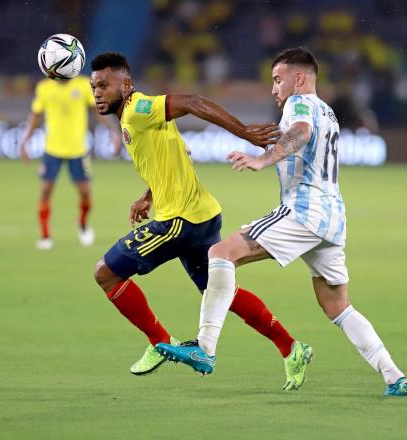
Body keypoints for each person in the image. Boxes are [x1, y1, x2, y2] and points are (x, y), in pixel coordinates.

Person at [156, 47, 407, 397]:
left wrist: (263, 160)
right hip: (333, 217)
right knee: (337, 305)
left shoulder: (300, 103)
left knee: (220, 253)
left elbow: (301, 133)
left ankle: (205, 346)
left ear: (299, 78)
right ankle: (394, 376)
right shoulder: (330, 112)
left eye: (277, 80)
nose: (274, 89)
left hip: (304, 210)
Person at [90, 52, 310, 390]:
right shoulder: (135, 117)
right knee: (220, 293)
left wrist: (244, 133)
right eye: (94, 87)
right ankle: (290, 347)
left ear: (126, 84)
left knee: (106, 273)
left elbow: (193, 101)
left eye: (104, 85)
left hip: (179, 221)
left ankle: (158, 341)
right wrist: (148, 196)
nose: (98, 93)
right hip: (202, 214)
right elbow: (173, 154)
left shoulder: (138, 109)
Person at [20, 74, 121, 250]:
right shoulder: (44, 87)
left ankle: (82, 223)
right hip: (52, 149)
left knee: (85, 193)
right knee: (45, 190)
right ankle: (45, 236)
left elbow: (98, 111)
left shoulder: (83, 85)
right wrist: (25, 141)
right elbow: (35, 116)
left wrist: (113, 131)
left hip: (78, 150)